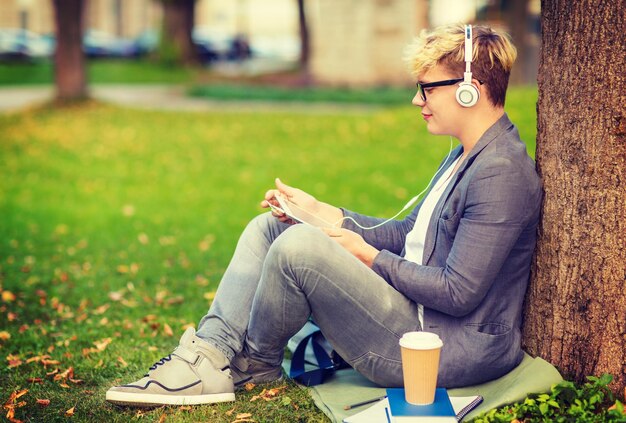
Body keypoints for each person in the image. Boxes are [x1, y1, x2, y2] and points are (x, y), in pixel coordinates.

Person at [106, 23, 541, 407]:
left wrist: (366, 256)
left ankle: (253, 364)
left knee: (299, 246)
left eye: (427, 88)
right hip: (419, 321)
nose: (416, 99)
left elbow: (457, 292)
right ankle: (210, 354)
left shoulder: (500, 171)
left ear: (471, 89)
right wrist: (321, 213)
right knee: (275, 227)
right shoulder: (467, 154)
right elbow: (411, 235)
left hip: (445, 350)